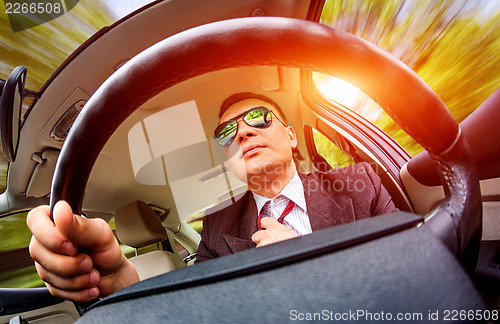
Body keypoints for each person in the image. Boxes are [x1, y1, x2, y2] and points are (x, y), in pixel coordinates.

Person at [27, 92, 397, 303]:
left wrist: (313, 265)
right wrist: (127, 285)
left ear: (290, 136)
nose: (242, 133)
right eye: (226, 133)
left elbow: (408, 271)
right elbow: (196, 304)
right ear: (227, 157)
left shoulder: (358, 183)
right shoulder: (217, 226)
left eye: (257, 117)